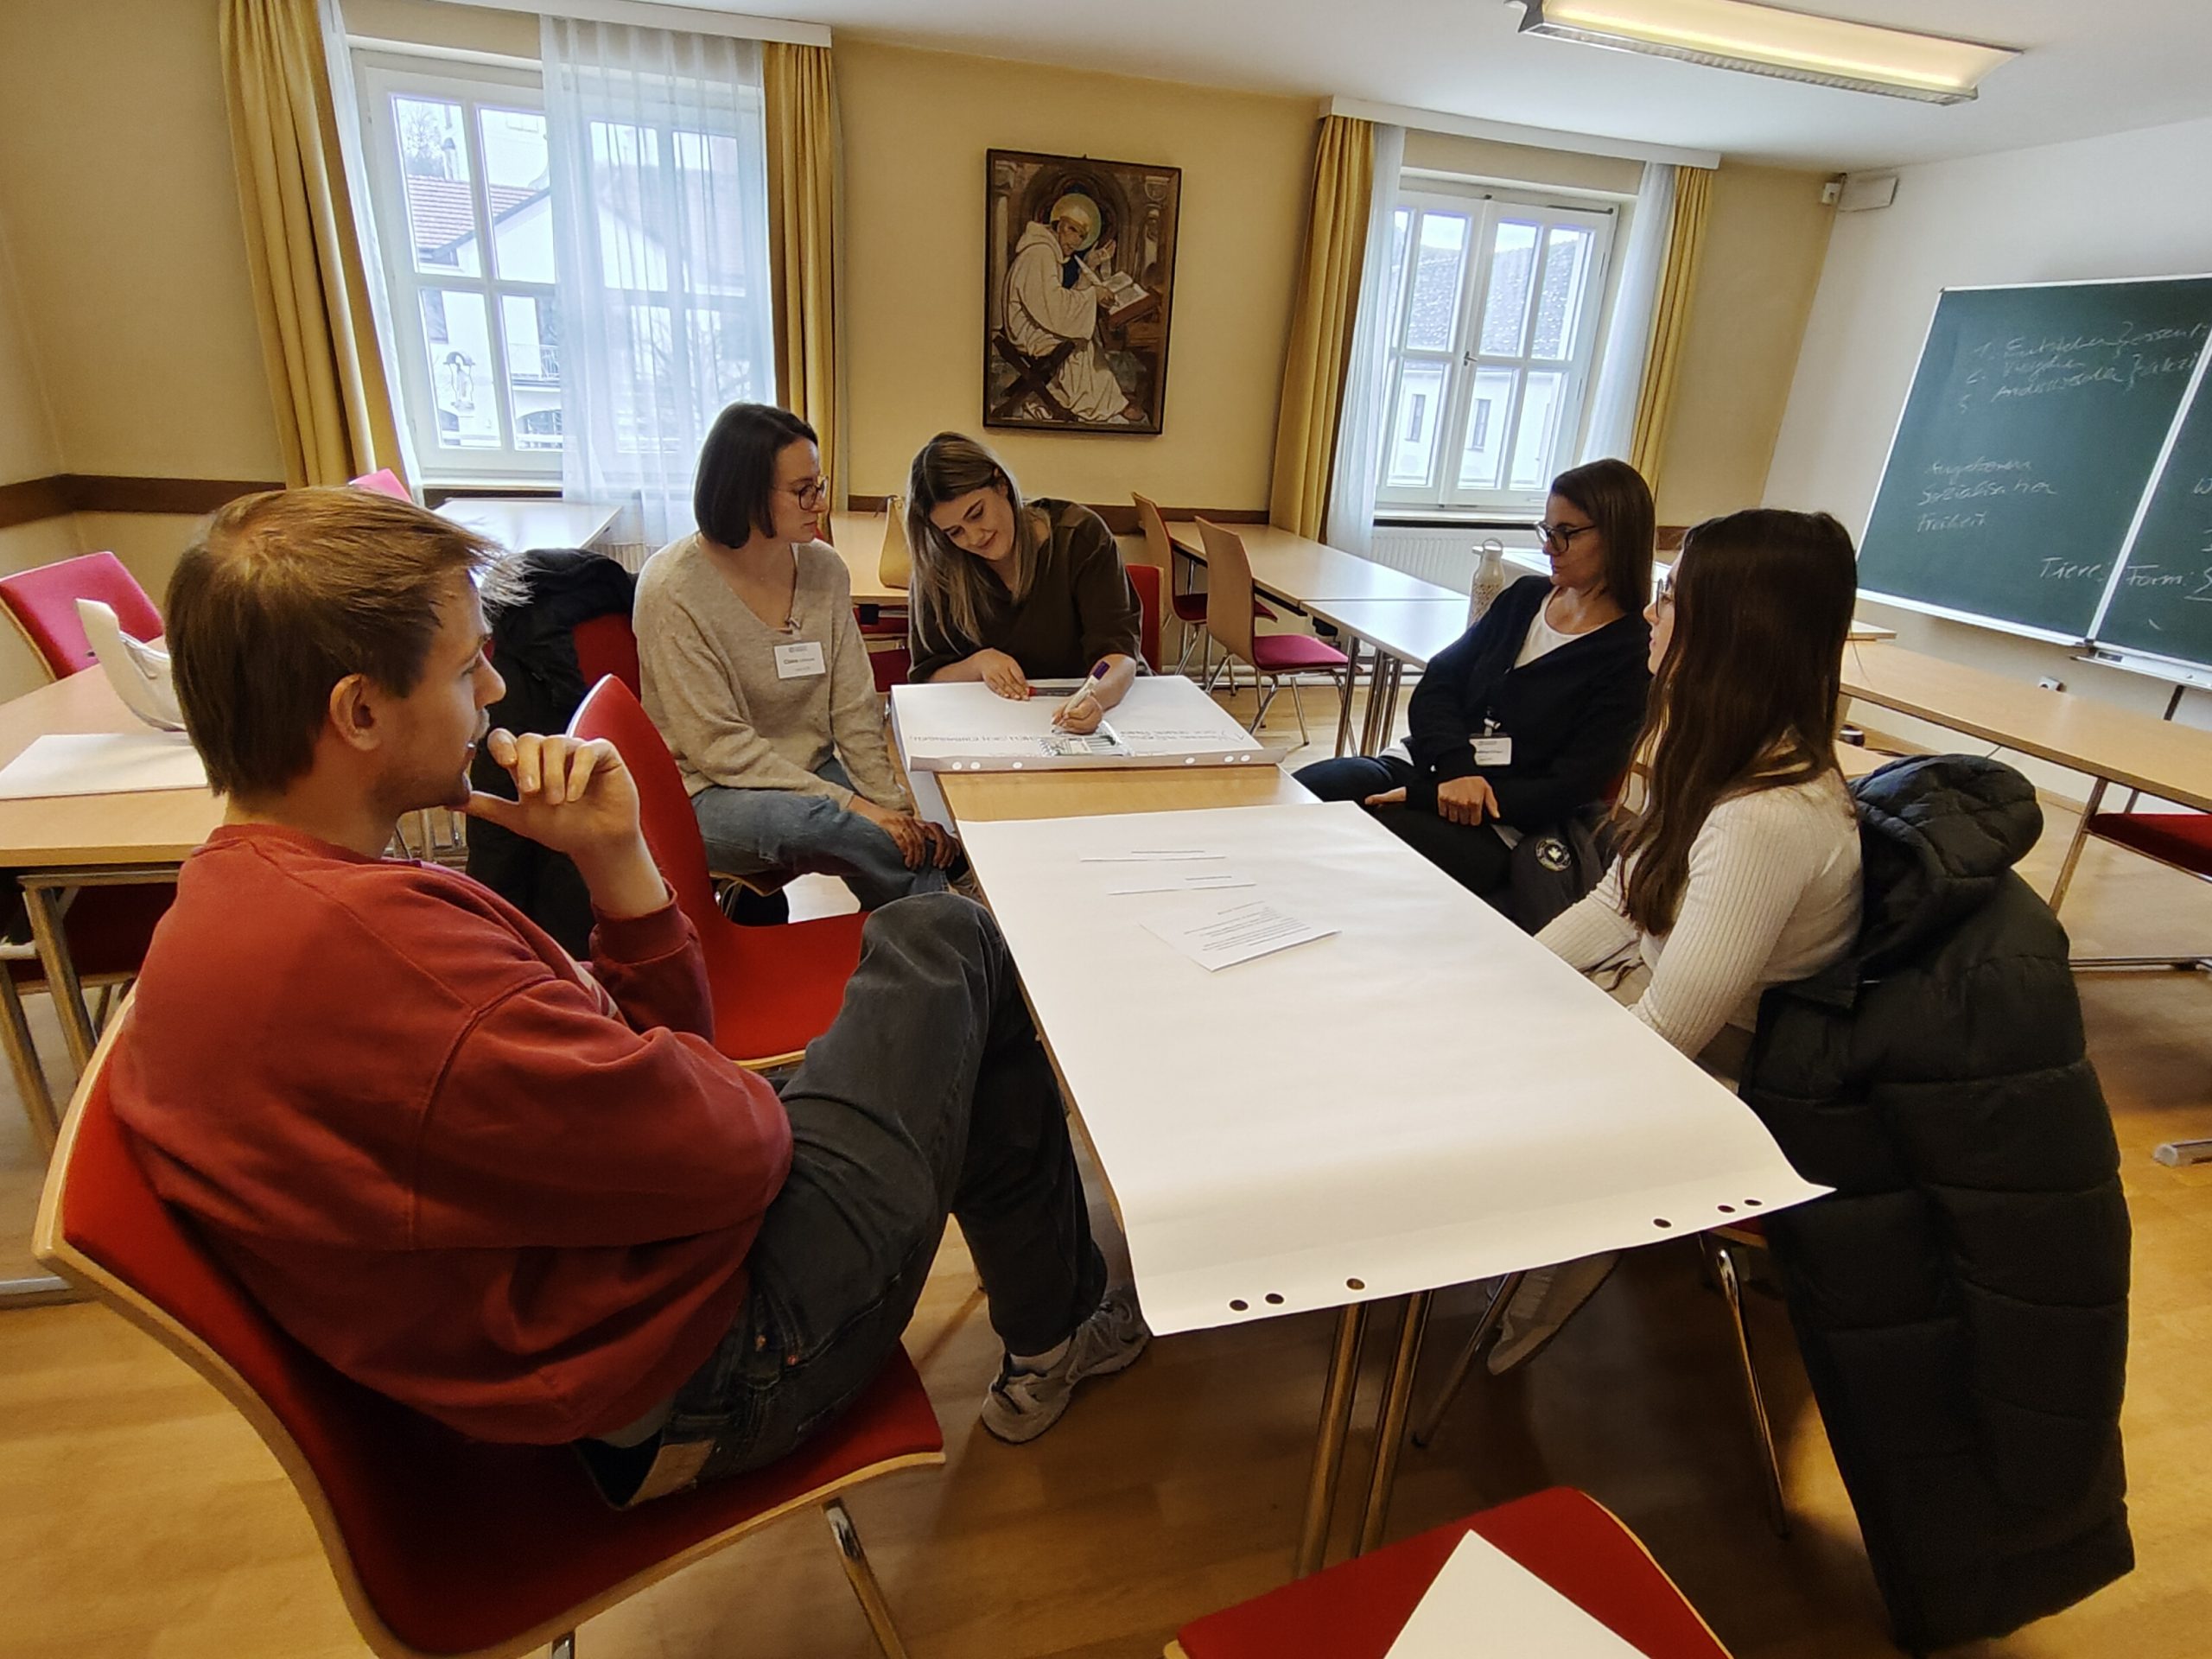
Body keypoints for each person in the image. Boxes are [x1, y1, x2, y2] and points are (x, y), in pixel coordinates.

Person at [112, 488, 1146, 1508]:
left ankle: (1053, 1317)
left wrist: (618, 867)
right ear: (360, 711)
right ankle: (1057, 1326)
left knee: (929, 957)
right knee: (950, 937)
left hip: (577, 1330)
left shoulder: (227, 907)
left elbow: (664, 1062)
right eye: (467, 665)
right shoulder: (402, 969)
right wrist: (698, 1076)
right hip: (713, 1371)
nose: (496, 689)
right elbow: (741, 1151)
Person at [1489, 507, 1866, 1372]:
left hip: (1715, 1068)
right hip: (1648, 1009)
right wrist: (1507, 979)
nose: (1651, 616)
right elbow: (1617, 903)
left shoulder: (1769, 815)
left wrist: (1517, 1048)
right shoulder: (1716, 754)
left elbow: (1663, 1044)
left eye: (1669, 597)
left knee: (1470, 1078)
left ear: (1731, 629)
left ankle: (1533, 1288)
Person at [1297, 459, 1655, 912]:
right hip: (1427, 766)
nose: (1549, 547)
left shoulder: (1631, 652)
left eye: (1566, 533)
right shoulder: (1525, 597)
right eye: (1547, 530)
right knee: (1298, 794)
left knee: (1358, 847)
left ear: (1617, 535)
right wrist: (1455, 767)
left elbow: (1570, 787)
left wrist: (1433, 794)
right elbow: (1438, 682)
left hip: (1500, 820)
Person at [636, 404, 955, 910]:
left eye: (819, 485)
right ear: (745, 493)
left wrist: (894, 809)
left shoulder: (824, 569)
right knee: (836, 827)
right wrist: (855, 806)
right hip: (707, 791)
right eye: (803, 490)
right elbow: (720, 749)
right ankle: (957, 895)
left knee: (888, 837)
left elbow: (853, 709)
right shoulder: (672, 588)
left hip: (807, 772)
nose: (820, 504)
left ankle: (936, 930)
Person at [906, 431, 1143, 734]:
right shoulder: (940, 567)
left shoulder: (1079, 537)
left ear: (1001, 484)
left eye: (977, 514)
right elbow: (926, 678)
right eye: (955, 532)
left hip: (1100, 712)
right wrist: (978, 664)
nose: (974, 537)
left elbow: (1119, 655)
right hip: (993, 726)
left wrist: (1095, 698)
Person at [1002, 193, 1145, 424]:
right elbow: (1054, 307)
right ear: (1060, 226)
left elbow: (1056, 304)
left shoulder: (1048, 251)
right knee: (1079, 342)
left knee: (1083, 335)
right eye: (1073, 231)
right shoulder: (1040, 253)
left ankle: (1105, 398)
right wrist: (1093, 295)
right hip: (1026, 330)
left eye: (1082, 236)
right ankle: (1097, 403)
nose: (1077, 241)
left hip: (1037, 322)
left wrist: (1089, 267)